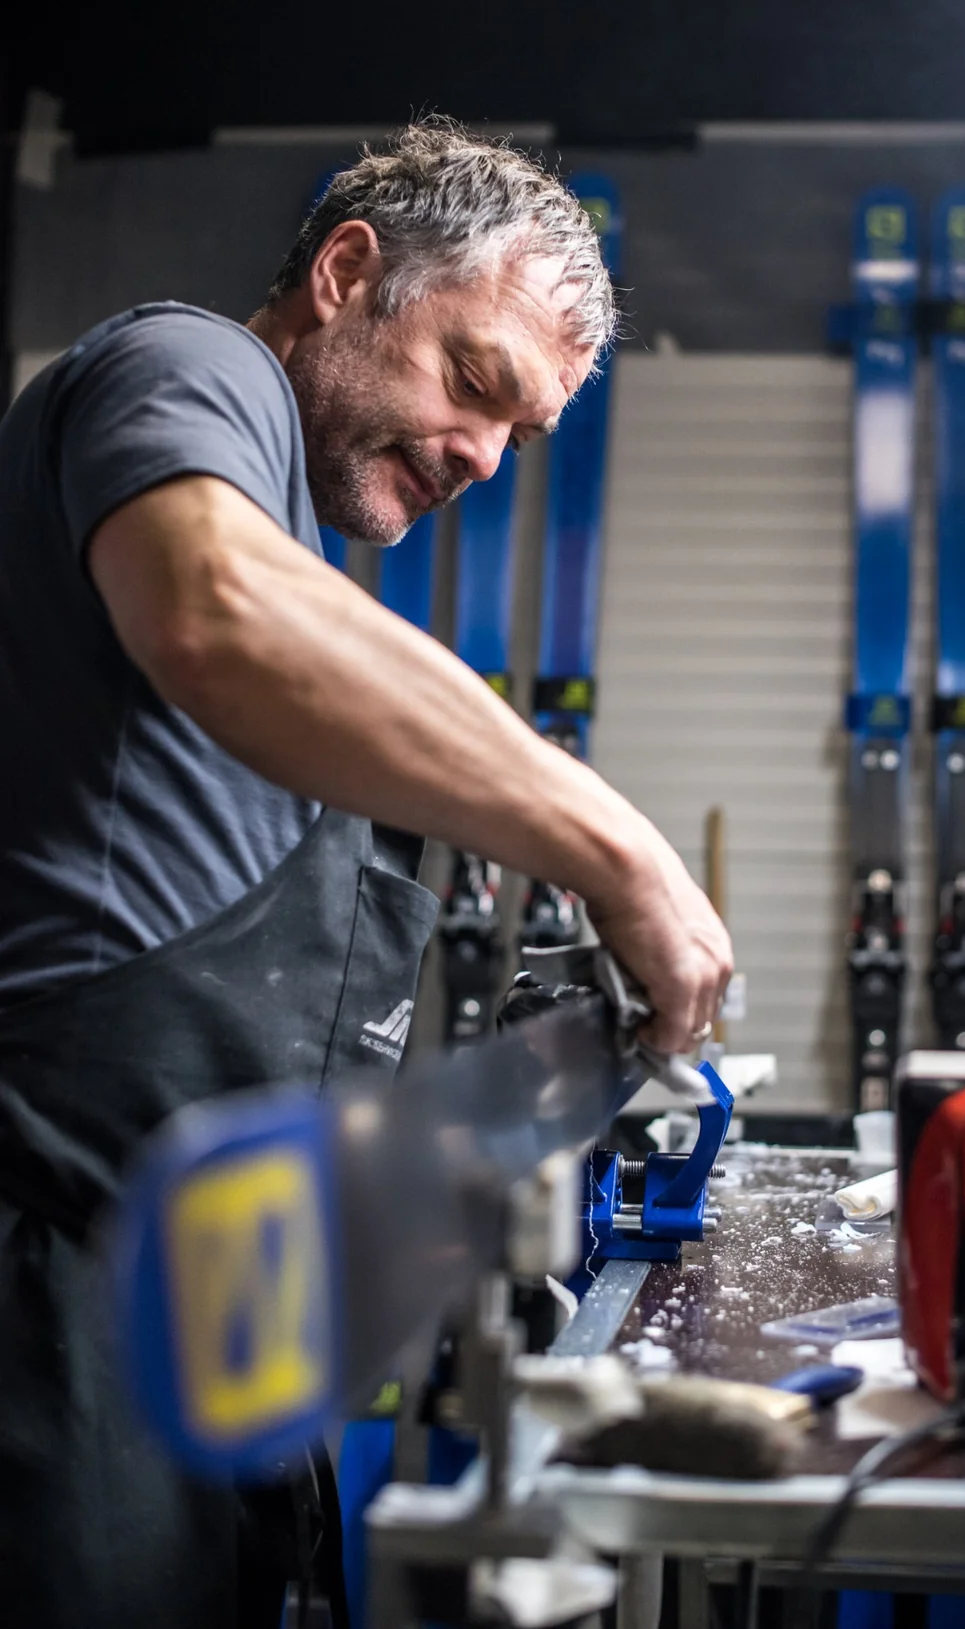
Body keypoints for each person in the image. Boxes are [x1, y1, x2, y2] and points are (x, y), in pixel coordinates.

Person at [0, 118, 732, 1628]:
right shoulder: (189, 375)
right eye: (475, 384)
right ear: (346, 274)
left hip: (196, 1332)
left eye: (518, 439)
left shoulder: (307, 590)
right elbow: (216, 610)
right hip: (44, 1327)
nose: (479, 455)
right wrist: (620, 853)